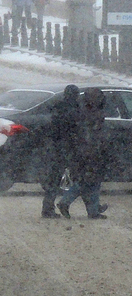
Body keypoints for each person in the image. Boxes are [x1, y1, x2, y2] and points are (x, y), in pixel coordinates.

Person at [57, 88, 109, 219]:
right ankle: (68, 202)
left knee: (88, 180)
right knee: (90, 181)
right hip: (90, 151)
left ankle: (93, 209)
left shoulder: (81, 111)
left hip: (82, 151)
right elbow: (95, 135)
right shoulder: (95, 114)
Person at [41, 85, 81, 218]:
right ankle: (91, 207)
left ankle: (47, 207)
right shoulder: (75, 109)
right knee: (82, 178)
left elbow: (53, 127)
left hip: (57, 147)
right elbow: (76, 129)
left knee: (54, 179)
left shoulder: (57, 107)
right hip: (70, 147)